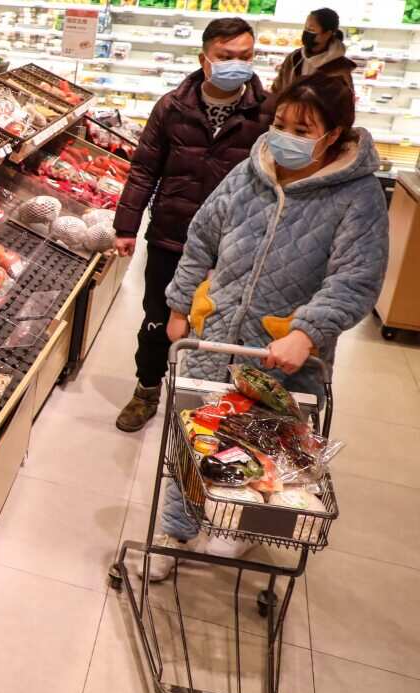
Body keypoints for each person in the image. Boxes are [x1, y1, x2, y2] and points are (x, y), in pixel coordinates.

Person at [144, 73, 389, 580]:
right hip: (214, 334)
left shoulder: (358, 197)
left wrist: (305, 332)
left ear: (337, 134)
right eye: (280, 123)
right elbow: (202, 238)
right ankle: (176, 529)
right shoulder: (251, 170)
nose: (285, 137)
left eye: (302, 129)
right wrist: (179, 304)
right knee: (193, 435)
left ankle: (239, 530)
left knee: (262, 446)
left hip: (279, 354)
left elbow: (356, 278)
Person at [112, 17, 273, 433]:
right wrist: (127, 226)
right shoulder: (172, 107)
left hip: (236, 244)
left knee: (225, 327)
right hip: (172, 235)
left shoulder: (268, 113)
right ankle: (146, 390)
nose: (237, 64)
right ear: (205, 60)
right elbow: (144, 168)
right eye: (226, 57)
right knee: (156, 320)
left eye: (245, 57)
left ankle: (214, 403)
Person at [271, 8, 356, 96]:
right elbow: (277, 89)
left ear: (327, 34)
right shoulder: (294, 57)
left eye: (311, 30)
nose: (306, 33)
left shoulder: (339, 67)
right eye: (305, 28)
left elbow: (344, 102)